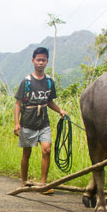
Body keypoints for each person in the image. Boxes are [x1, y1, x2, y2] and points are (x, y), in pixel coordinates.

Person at [14, 47, 68, 190]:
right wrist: (17, 123)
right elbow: (18, 103)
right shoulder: (26, 82)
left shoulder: (49, 82)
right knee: (27, 153)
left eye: (43, 60)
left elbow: (49, 101)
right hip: (28, 123)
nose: (40, 63)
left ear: (47, 62)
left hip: (43, 123)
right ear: (33, 61)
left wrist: (60, 110)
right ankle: (24, 182)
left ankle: (43, 184)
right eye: (38, 60)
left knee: (47, 150)